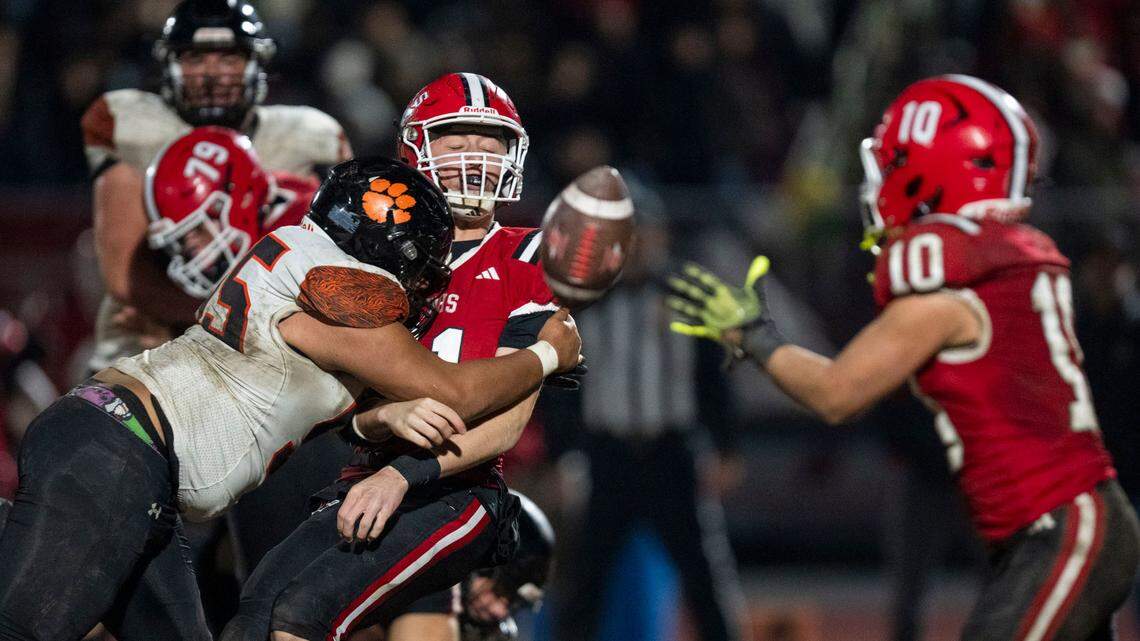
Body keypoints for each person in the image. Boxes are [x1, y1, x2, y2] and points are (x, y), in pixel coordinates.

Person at [0, 156, 582, 641]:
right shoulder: (343, 283)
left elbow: (309, 376)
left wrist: (382, 415)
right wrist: (545, 356)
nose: (427, 288)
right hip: (120, 456)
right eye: (424, 270)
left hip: (127, 454)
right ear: (392, 249)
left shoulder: (298, 256)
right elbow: (449, 388)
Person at [668, 75, 1140, 641]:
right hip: (1065, 526)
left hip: (1062, 528)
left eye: (895, 165)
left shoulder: (952, 288)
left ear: (936, 168)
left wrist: (752, 335)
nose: (881, 184)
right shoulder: (999, 265)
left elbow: (836, 394)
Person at [222, 72, 566, 641]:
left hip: (455, 488)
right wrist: (378, 422)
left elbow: (506, 423)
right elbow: (340, 403)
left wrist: (405, 476)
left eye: (490, 142)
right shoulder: (375, 252)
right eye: (457, 141)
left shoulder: (528, 254)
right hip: (357, 477)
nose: (476, 157)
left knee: (299, 617)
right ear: (418, 150)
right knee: (255, 617)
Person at [81, 0, 353, 581]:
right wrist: (247, 323)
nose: (212, 71)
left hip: (268, 379)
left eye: (228, 55)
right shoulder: (129, 124)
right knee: (115, 563)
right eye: (195, 55)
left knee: (279, 563)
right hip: (150, 357)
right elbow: (127, 279)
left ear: (257, 63)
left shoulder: (312, 137)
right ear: (169, 65)